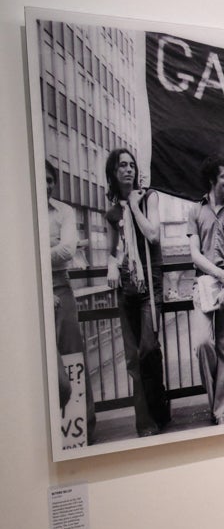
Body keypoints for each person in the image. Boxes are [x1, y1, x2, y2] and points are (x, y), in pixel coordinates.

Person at [103, 146, 170, 437]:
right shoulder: (110, 211)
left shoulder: (149, 197)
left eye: (131, 165)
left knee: (148, 350)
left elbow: (153, 234)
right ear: (114, 173)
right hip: (127, 286)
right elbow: (112, 250)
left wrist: (133, 204)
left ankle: (159, 406)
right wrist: (111, 265)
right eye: (122, 166)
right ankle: (146, 423)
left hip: (149, 287)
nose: (128, 169)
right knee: (133, 357)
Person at [188, 156, 224, 425]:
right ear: (213, 180)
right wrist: (219, 274)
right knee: (203, 344)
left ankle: (223, 412)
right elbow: (195, 255)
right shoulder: (195, 211)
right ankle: (216, 403)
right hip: (204, 283)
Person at [46, 163, 95, 443]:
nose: (47, 185)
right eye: (41, 180)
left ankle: (83, 427)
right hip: (30, 286)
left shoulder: (64, 211)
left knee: (72, 353)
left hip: (60, 285)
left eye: (51, 180)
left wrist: (33, 251)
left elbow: (67, 250)